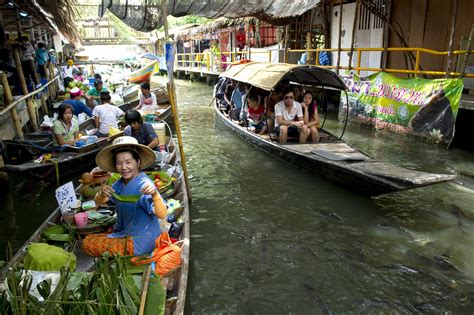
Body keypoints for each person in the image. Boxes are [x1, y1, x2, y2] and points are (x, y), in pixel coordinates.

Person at [82, 136, 167, 256]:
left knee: (87, 244)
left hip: (141, 241)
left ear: (137, 163)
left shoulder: (144, 185)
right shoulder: (120, 182)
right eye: (119, 163)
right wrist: (101, 194)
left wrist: (155, 194)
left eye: (128, 162)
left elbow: (162, 214)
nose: (124, 167)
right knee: (89, 238)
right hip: (126, 233)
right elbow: (97, 203)